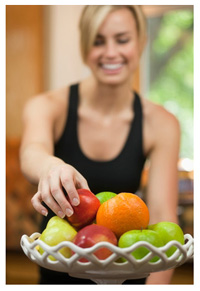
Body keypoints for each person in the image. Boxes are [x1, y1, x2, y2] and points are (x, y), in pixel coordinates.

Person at [20, 5, 180, 284]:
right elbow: (32, 150)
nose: (110, 52)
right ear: (84, 47)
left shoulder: (162, 123)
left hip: (128, 271)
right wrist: (50, 166)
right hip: (59, 272)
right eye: (98, 41)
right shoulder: (46, 107)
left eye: (122, 39)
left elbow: (164, 214)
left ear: (141, 42)